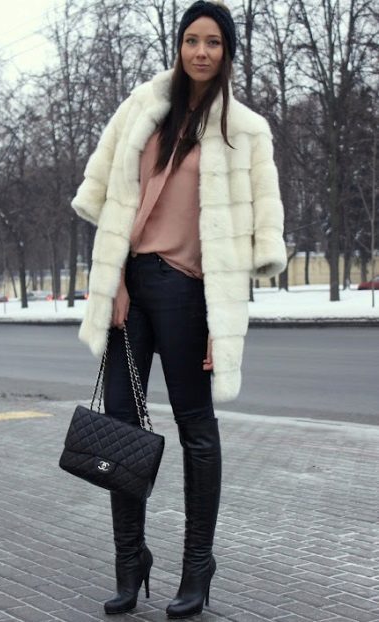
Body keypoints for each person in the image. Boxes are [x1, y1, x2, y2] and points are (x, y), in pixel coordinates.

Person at [71, 0, 287, 617]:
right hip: (130, 286)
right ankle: (129, 560)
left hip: (189, 291)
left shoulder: (246, 130)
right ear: (179, 45)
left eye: (213, 42)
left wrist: (222, 323)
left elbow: (253, 239)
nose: (201, 51)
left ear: (228, 52)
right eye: (192, 39)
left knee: (197, 430)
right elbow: (110, 196)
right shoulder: (144, 106)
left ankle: (198, 565)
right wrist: (113, 280)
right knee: (120, 426)